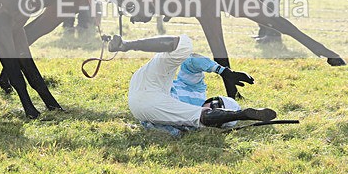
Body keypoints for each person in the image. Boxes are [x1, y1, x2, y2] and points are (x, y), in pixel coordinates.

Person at [108, 33, 277, 135]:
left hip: (147, 107)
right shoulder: (198, 89)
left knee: (198, 117)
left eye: (217, 112)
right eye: (216, 105)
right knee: (184, 44)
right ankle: (125, 45)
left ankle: (242, 115)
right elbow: (191, 62)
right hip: (153, 82)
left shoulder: (194, 119)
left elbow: (162, 129)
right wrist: (224, 71)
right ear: (214, 98)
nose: (212, 108)